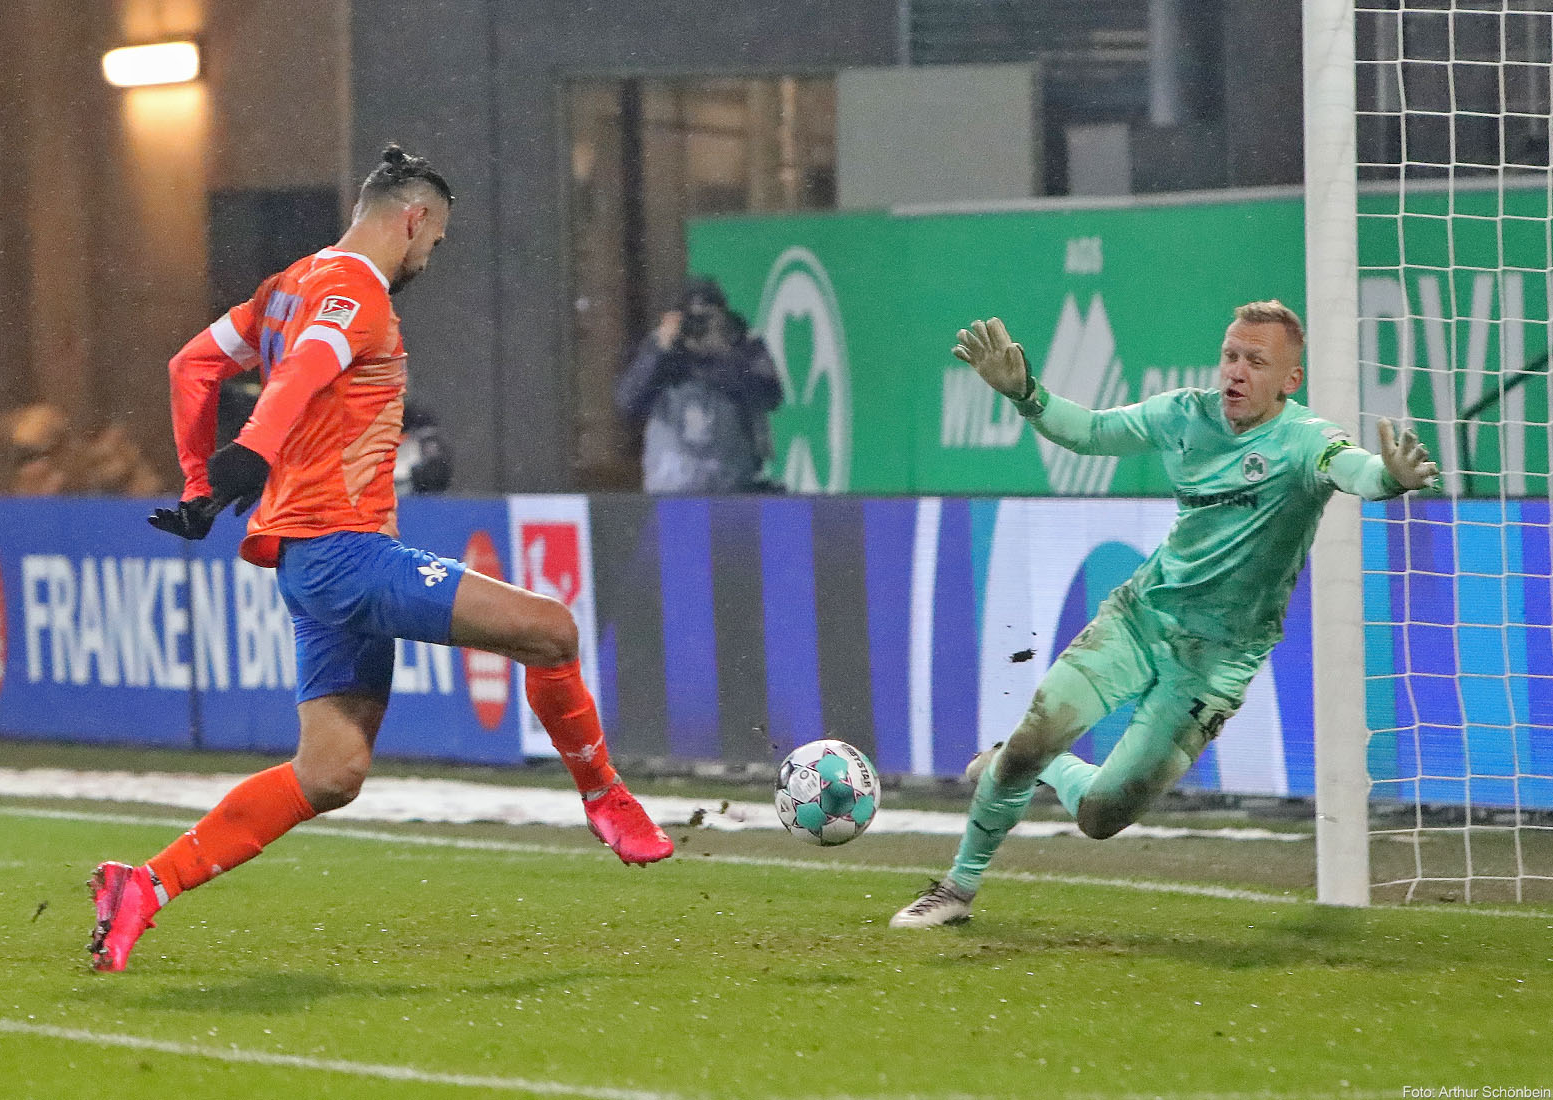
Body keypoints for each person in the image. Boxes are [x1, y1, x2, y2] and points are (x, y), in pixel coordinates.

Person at [90, 145, 673, 973]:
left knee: (330, 772)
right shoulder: (356, 291)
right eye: (437, 240)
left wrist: (198, 480)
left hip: (306, 562)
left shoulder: (286, 285)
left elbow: (193, 366)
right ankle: (604, 796)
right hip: (345, 554)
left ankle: (142, 887)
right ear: (414, 218)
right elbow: (305, 372)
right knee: (550, 630)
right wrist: (247, 456)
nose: (431, 258)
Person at [891, 300, 1438, 928]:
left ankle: (1049, 768)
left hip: (1218, 664)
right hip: (1141, 619)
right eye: (1230, 354)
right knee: (1032, 742)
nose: (1234, 370)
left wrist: (1391, 477)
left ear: (1291, 380)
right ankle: (956, 890)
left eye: (1255, 361)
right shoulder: (1184, 414)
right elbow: (1092, 431)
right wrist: (1027, 396)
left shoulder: (1305, 441)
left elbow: (1358, 470)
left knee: (1100, 817)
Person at [614, 276, 783, 493]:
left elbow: (770, 396)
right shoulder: (659, 352)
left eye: (706, 318)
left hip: (732, 486)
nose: (697, 326)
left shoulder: (744, 346)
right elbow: (627, 401)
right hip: (671, 488)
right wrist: (659, 351)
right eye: (689, 319)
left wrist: (725, 352)